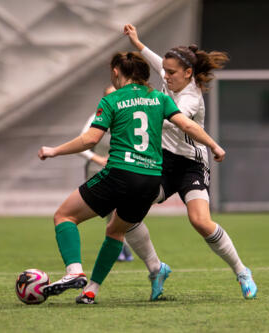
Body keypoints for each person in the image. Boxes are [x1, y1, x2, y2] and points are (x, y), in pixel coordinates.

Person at [37, 51, 226, 304]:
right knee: (115, 231)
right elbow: (189, 126)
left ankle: (74, 272)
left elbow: (90, 139)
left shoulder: (112, 99)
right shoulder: (159, 98)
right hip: (150, 180)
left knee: (64, 216)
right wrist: (214, 146)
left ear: (116, 72)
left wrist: (54, 150)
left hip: (120, 174)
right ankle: (91, 290)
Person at [123, 23, 257, 299]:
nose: (165, 75)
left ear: (187, 73)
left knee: (200, 221)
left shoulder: (191, 98)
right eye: (166, 71)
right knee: (124, 213)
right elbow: (155, 60)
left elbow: (183, 124)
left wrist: (214, 146)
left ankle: (242, 271)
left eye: (171, 72)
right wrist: (137, 42)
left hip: (190, 164)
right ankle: (155, 268)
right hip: (162, 162)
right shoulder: (171, 73)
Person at [79, 85, 134, 262]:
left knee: (123, 209)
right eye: (110, 95)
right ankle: (119, 247)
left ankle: (122, 247)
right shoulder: (96, 117)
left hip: (121, 168)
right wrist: (98, 159)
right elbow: (82, 145)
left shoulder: (128, 116)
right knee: (111, 209)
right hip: (98, 170)